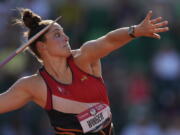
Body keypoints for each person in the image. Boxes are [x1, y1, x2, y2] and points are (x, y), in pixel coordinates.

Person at [0, 8, 169, 135]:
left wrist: (134, 31)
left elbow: (109, 40)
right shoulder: (34, 85)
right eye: (58, 35)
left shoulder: (84, 58)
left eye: (64, 33)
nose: (67, 38)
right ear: (42, 46)